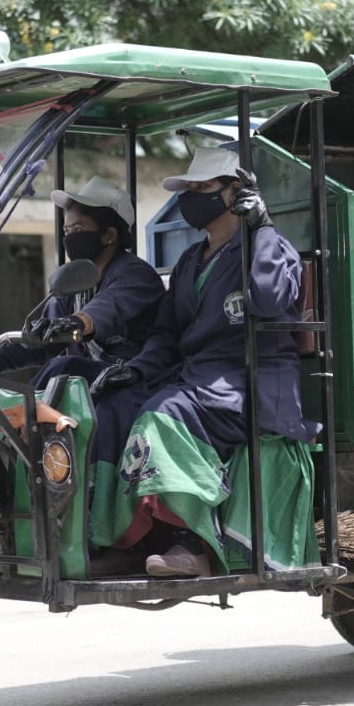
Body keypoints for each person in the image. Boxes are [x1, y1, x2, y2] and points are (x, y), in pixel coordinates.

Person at [87, 146, 319, 578]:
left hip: (246, 385)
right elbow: (166, 335)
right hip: (195, 380)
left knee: (163, 415)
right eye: (189, 188)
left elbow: (269, 301)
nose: (192, 196)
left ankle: (194, 544)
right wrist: (136, 369)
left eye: (204, 187)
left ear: (236, 192)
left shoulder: (271, 247)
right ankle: (128, 540)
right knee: (113, 409)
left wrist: (262, 230)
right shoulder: (190, 261)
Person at [0, 176, 165, 385]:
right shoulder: (76, 282)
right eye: (67, 231)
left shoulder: (135, 274)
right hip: (91, 386)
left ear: (109, 235)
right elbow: (41, 345)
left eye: (78, 230)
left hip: (129, 380)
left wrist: (76, 322)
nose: (70, 238)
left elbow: (107, 309)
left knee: (64, 368)